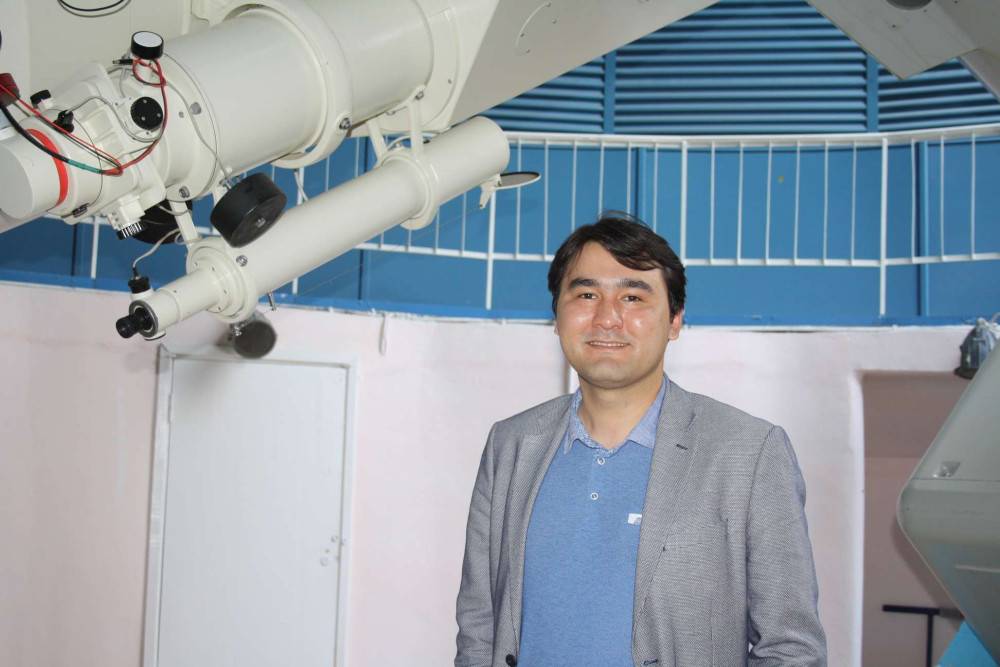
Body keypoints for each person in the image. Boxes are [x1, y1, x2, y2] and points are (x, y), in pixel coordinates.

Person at [455, 213, 826, 667]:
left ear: (675, 320)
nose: (607, 317)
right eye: (586, 294)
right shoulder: (510, 445)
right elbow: (479, 627)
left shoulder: (749, 453)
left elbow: (790, 648)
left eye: (632, 297)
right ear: (556, 315)